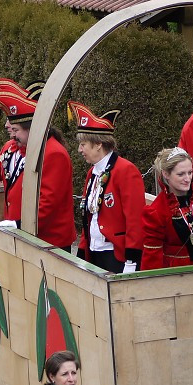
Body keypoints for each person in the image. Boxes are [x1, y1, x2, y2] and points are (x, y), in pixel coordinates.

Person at [0, 81, 76, 249]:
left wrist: (20, 224)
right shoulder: (11, 146)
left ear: (32, 129)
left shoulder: (54, 154)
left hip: (47, 240)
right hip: (19, 233)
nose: (11, 133)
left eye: (16, 130)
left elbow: (49, 203)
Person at [68, 100, 145, 274]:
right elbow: (88, 217)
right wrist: (81, 254)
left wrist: (132, 260)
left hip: (116, 255)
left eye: (83, 145)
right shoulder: (92, 173)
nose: (80, 150)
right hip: (95, 252)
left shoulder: (125, 170)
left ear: (98, 144)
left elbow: (134, 219)